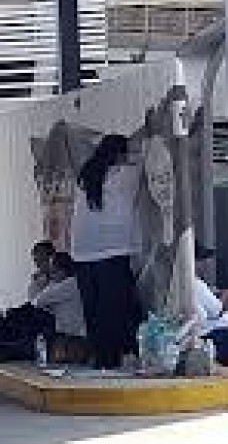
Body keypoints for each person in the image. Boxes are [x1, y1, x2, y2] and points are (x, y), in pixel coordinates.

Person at [71, 134, 143, 369]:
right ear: (120, 154)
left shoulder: (86, 176)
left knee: (94, 309)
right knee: (114, 309)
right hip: (112, 251)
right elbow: (147, 156)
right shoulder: (125, 175)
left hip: (82, 254)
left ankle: (100, 359)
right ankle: (113, 360)